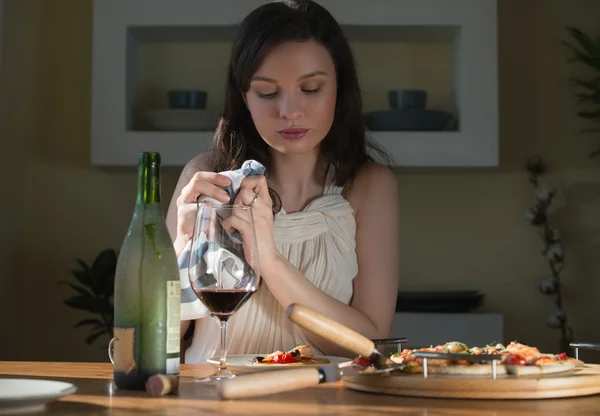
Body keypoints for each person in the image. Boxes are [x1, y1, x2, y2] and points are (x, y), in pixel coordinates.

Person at [166, 0, 400, 364]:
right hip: (212, 397)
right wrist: (179, 248)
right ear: (244, 97)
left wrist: (270, 262)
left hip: (323, 398)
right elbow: (149, 344)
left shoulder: (369, 186)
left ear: (340, 87)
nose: (290, 110)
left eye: (311, 89)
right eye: (267, 92)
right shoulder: (207, 176)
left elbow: (370, 345)